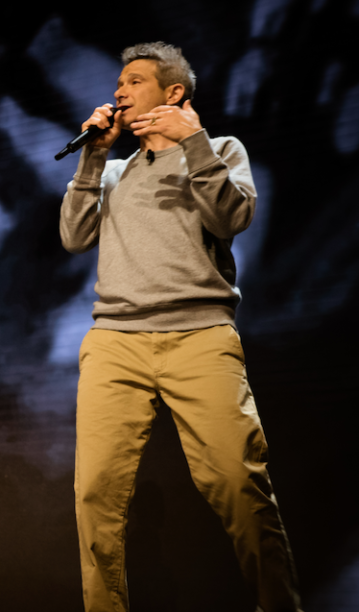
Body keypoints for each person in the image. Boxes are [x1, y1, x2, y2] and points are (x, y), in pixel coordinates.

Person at [59, 42, 302, 612]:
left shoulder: (219, 150)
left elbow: (230, 217)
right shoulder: (114, 171)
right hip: (116, 342)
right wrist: (92, 158)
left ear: (174, 93)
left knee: (239, 486)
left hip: (199, 338)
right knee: (96, 493)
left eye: (135, 81)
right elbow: (73, 238)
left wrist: (193, 142)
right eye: (118, 82)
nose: (119, 91)